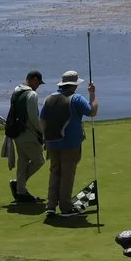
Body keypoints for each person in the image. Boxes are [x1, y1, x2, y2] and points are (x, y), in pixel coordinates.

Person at [39, 68, 97, 221]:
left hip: (52, 142)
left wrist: (46, 139)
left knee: (54, 173)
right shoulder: (76, 98)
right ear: (74, 85)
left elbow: (42, 120)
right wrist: (92, 94)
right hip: (70, 143)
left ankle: (51, 207)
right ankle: (65, 208)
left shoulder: (49, 99)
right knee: (67, 175)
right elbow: (92, 112)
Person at [3, 71, 48, 206]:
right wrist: (42, 132)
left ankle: (21, 192)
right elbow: (34, 117)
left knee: (22, 161)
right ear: (33, 80)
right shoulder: (31, 94)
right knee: (39, 160)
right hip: (28, 134)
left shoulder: (17, 90)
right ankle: (18, 185)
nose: (38, 86)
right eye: (38, 83)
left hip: (17, 133)